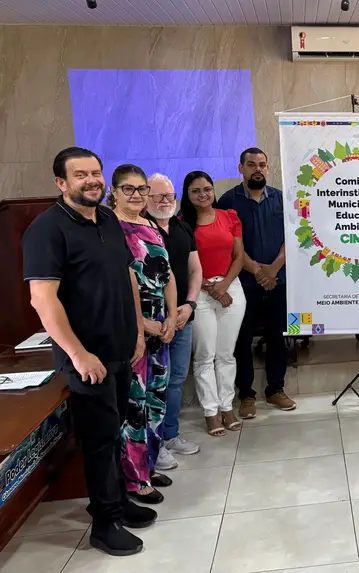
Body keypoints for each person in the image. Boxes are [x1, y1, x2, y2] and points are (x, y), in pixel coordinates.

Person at [22, 147, 156, 556]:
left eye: (96, 172)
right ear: (61, 183)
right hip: (86, 357)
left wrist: (137, 331)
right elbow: (42, 299)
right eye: (80, 175)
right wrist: (78, 354)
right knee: (98, 439)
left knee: (115, 431)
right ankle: (104, 523)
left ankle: (117, 501)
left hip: (120, 348)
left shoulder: (108, 219)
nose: (92, 180)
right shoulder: (47, 229)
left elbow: (128, 277)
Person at [108, 164, 178, 504]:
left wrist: (172, 317)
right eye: (128, 189)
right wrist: (143, 323)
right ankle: (134, 479)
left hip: (161, 325)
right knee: (135, 405)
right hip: (133, 325)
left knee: (156, 400)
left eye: (141, 189)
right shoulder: (110, 228)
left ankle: (148, 465)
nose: (136, 195)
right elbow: (122, 281)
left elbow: (168, 274)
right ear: (114, 192)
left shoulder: (150, 224)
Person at [218, 147, 294, 419]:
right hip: (243, 283)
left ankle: (276, 389)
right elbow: (227, 243)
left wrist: (274, 269)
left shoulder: (282, 199)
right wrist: (257, 271)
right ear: (241, 168)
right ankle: (246, 395)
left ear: (268, 167)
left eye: (262, 164)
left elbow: (293, 235)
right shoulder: (228, 201)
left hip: (278, 280)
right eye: (251, 165)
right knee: (242, 340)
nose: (257, 169)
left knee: (278, 337)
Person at [180, 171, 246, 436]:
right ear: (187, 195)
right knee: (205, 355)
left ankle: (227, 406)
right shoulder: (182, 224)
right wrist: (210, 287)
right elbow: (182, 263)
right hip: (199, 291)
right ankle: (211, 411)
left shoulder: (229, 216)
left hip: (231, 288)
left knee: (226, 354)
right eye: (196, 191)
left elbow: (239, 256)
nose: (203, 194)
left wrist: (224, 286)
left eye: (207, 189)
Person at [146, 174, 203, 466]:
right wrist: (168, 314)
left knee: (177, 379)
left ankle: (170, 434)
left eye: (168, 196)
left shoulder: (182, 227)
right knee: (154, 382)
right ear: (146, 198)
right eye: (157, 196)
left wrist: (190, 305)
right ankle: (152, 444)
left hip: (183, 316)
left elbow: (195, 270)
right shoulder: (140, 230)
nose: (164, 201)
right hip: (153, 322)